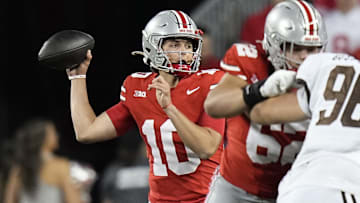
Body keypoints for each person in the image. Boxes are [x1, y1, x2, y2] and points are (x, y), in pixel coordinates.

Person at [66, 10, 225, 203]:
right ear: (153, 46)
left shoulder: (211, 82)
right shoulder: (138, 88)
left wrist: (170, 108)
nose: (184, 51)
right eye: (175, 44)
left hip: (209, 198)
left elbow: (207, 148)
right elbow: (86, 132)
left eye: (188, 44)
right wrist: (77, 77)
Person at [204, 0, 327, 202]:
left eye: (312, 49)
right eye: (296, 48)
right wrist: (258, 90)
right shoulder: (250, 60)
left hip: (293, 193)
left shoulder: (328, 74)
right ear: (274, 44)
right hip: (236, 189)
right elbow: (214, 105)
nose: (305, 58)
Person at [249, 52, 360, 202]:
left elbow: (260, 113)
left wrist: (260, 89)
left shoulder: (330, 65)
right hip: (342, 185)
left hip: (297, 186)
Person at [4, 119, 82, 203]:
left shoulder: (20, 168)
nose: (57, 135)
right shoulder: (60, 166)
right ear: (43, 138)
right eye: (53, 132)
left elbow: (9, 200)